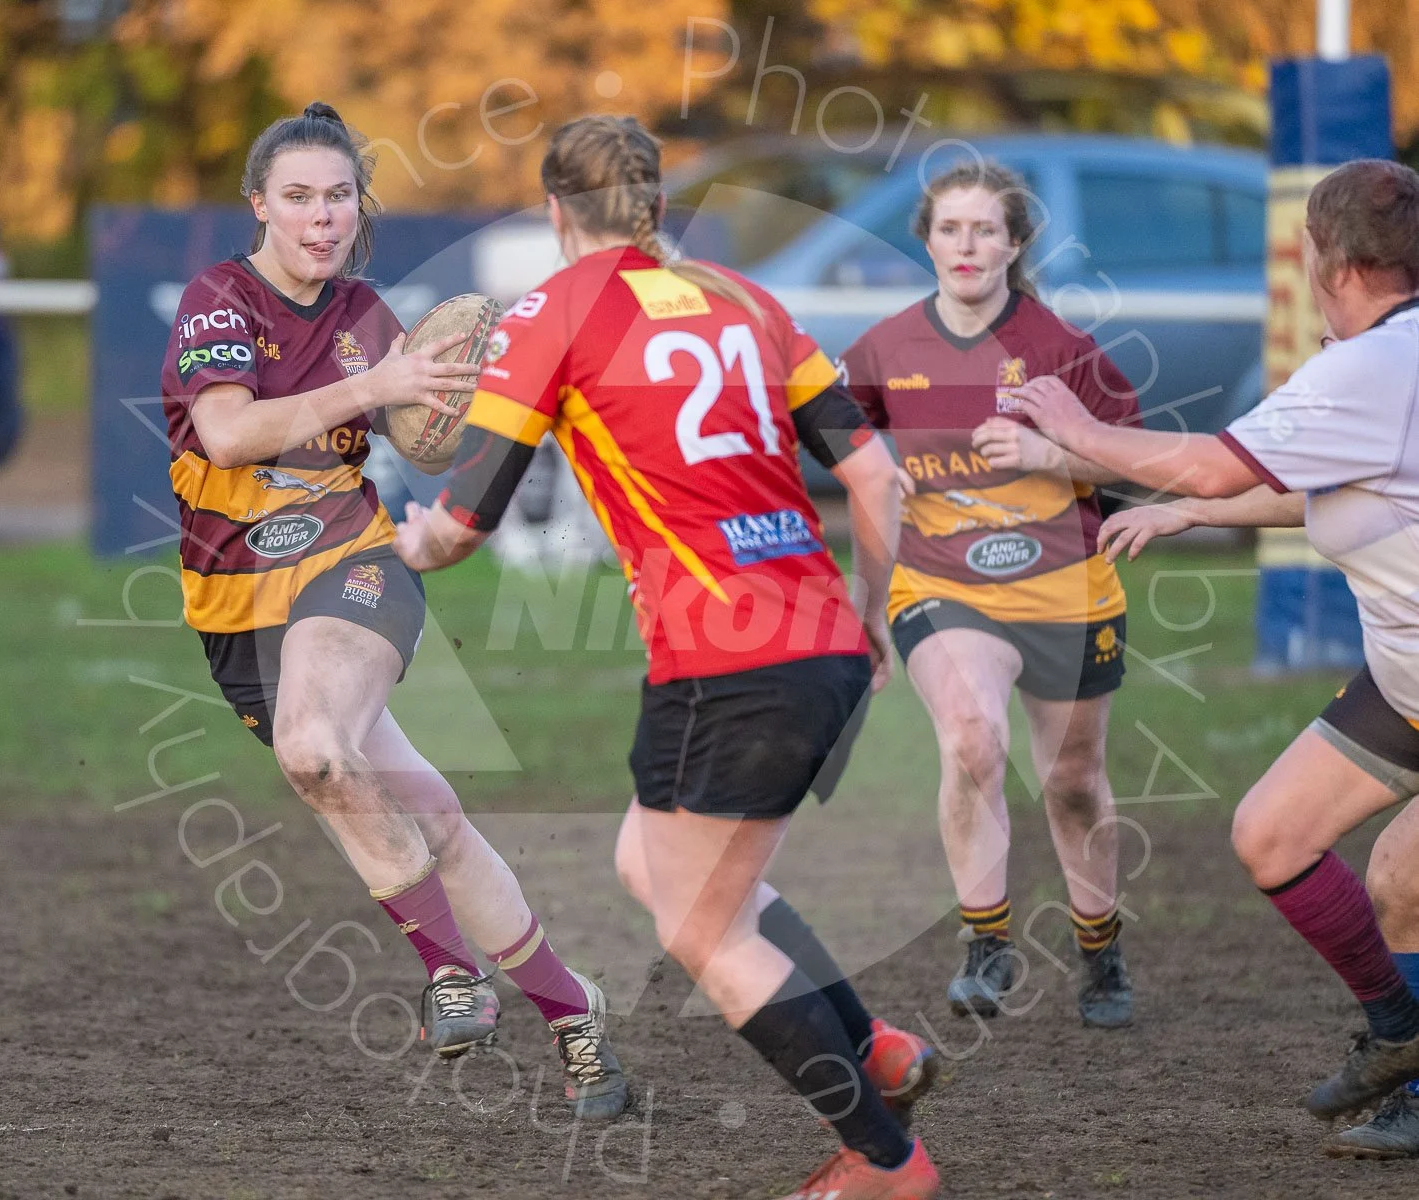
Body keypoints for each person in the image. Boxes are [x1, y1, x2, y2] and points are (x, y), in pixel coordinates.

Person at [394, 114, 942, 1200]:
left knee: (701, 924)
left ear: (557, 212)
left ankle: (887, 1161)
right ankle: (877, 1050)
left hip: (725, 661)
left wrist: (405, 539)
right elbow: (879, 481)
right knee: (654, 869)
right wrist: (874, 615)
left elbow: (463, 523)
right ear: (653, 206)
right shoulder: (750, 300)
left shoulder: (556, 310)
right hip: (813, 638)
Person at [161, 101, 627, 1120]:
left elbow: (435, 436)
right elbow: (230, 435)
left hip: (352, 568)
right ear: (260, 206)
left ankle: (451, 975)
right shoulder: (218, 301)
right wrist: (375, 382)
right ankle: (576, 1015)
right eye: (299, 198)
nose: (321, 218)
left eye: (338, 198)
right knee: (432, 819)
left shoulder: (370, 316)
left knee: (318, 752)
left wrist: (483, 407)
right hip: (235, 609)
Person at [1012, 157, 1419, 1139]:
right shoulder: (1391, 364)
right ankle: (1402, 1041)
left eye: (1309, 253)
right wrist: (1195, 510)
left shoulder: (1372, 364)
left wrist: (1076, 425)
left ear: (1336, 263)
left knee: (1403, 879)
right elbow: (1342, 481)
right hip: (1406, 685)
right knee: (1281, 838)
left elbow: (1209, 451)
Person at [838, 161, 1138, 1029]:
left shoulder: (1059, 348)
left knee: (1073, 781)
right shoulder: (882, 350)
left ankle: (1101, 948)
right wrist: (867, 598)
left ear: (1014, 243)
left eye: (984, 230)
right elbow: (858, 474)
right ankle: (986, 943)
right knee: (971, 740)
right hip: (943, 584)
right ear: (925, 240)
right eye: (949, 229)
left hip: (1066, 588)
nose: (966, 245)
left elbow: (1135, 462)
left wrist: (1054, 454)